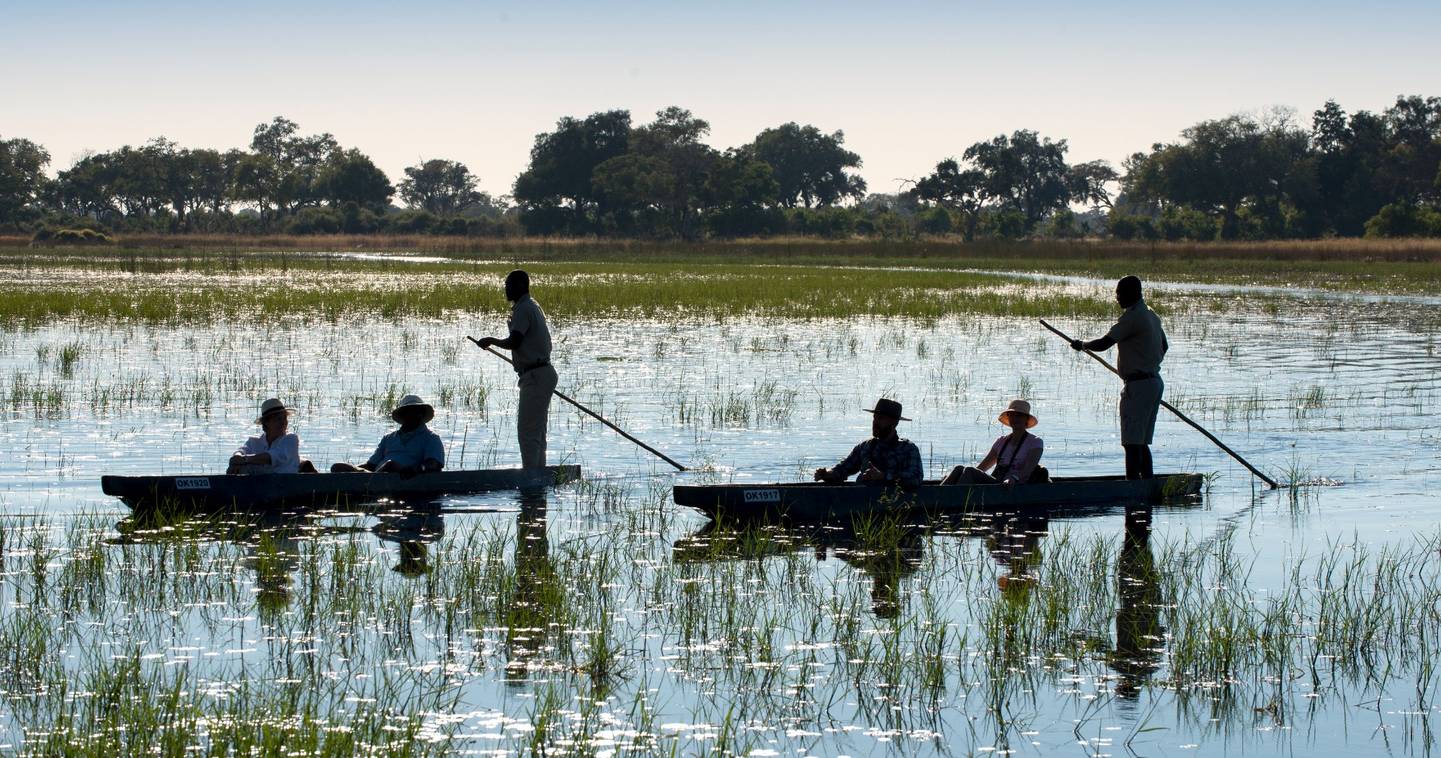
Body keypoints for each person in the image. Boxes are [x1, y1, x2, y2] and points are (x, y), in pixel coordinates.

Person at [1071, 276, 1168, 480]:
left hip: (1139, 385)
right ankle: (1146, 484)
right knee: (1141, 442)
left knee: (1132, 443)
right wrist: (1146, 362)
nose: (1117, 298)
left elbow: (1105, 343)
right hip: (1153, 382)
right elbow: (1164, 346)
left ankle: (1132, 487)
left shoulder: (1132, 317)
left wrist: (1083, 345)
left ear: (1133, 293)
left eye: (1120, 293)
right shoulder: (1151, 314)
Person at [475, 270, 557, 469]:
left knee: (528, 432)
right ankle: (538, 474)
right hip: (540, 373)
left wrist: (491, 340)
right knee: (537, 432)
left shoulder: (524, 308)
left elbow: (515, 341)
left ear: (520, 286)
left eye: (509, 285)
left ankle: (531, 476)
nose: (506, 289)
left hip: (536, 376)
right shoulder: (531, 306)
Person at [813, 398, 924, 487]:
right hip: (861, 498)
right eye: (874, 418)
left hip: (893, 501)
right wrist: (826, 474)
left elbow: (916, 478)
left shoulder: (908, 449)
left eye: (880, 418)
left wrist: (883, 476)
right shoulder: (865, 446)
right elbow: (842, 469)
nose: (875, 422)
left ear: (894, 423)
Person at [331, 395, 444, 475]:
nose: (413, 415)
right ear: (403, 415)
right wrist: (352, 469)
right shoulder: (389, 438)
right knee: (337, 467)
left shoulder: (431, 438)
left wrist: (415, 470)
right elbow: (371, 465)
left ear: (421, 414)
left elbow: (433, 464)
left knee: (390, 465)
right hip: (377, 474)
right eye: (409, 411)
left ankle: (368, 484)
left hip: (404, 476)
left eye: (417, 411)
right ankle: (366, 482)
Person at [941, 399, 1046, 486]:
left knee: (969, 470)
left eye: (1019, 415)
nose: (1015, 418)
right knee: (959, 469)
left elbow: (1028, 470)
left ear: (1026, 419)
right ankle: (938, 495)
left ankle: (954, 500)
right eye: (1011, 414)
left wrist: (1013, 479)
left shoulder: (1035, 442)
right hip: (997, 483)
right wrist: (956, 477)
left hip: (1012, 486)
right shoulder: (1001, 441)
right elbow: (981, 468)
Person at [227, 397, 317, 475]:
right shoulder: (253, 442)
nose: (283, 422)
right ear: (266, 422)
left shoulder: (291, 439)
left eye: (284, 418)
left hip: (287, 484)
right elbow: (241, 451)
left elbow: (273, 457)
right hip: (261, 485)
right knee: (233, 469)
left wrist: (245, 460)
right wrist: (237, 458)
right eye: (278, 419)